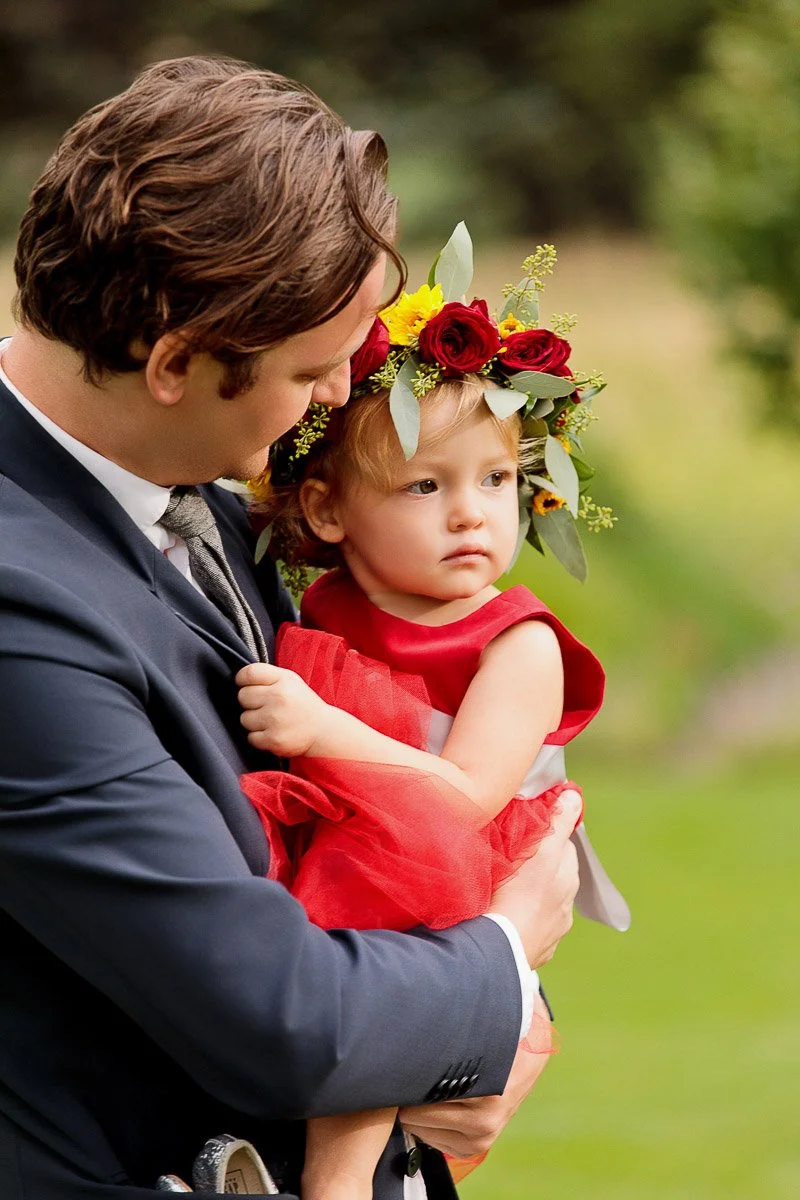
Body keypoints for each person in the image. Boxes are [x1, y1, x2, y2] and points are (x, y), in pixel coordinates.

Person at [0, 55, 581, 1200]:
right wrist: (505, 957)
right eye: (313, 371)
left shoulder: (212, 497)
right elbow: (278, 1017)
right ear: (173, 363)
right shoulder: (19, 608)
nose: (335, 400)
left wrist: (479, 1030)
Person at [234, 269, 606, 1200]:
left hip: (449, 859)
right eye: (424, 486)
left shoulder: (516, 643)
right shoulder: (325, 606)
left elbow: (467, 796)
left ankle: (340, 1182)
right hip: (362, 831)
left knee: (373, 933)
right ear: (326, 511)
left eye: (494, 480)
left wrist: (323, 729)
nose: (471, 513)